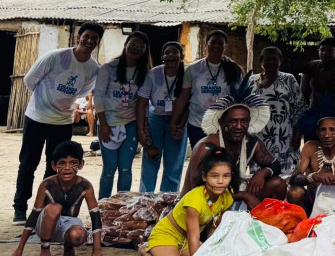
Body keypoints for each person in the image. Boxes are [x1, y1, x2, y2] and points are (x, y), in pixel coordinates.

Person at [13, 22, 103, 225]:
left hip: (62, 121)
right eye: (86, 36)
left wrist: (61, 105)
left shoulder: (93, 68)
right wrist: (43, 101)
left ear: (97, 43)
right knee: (28, 163)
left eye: (94, 39)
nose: (89, 41)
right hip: (37, 117)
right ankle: (20, 208)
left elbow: (81, 92)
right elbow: (30, 79)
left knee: (56, 167)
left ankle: (46, 209)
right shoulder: (56, 56)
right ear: (78, 37)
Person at [137, 146, 235, 256]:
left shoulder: (226, 197)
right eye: (214, 175)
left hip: (186, 240)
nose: (220, 181)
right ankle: (144, 252)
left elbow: (214, 227)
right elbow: (194, 236)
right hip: (168, 235)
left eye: (226, 176)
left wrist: (211, 253)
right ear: (204, 177)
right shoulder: (195, 201)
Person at [6, 141, 101, 256]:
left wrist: (97, 250)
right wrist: (19, 248)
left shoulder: (85, 186)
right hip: (46, 222)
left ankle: (69, 246)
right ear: (54, 165)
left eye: (73, 163)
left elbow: (95, 217)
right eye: (62, 163)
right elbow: (33, 217)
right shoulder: (47, 185)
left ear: (81, 164)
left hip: (68, 222)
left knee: (78, 235)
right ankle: (45, 253)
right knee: (54, 208)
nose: (67, 168)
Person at [182, 94, 285, 208]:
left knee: (277, 184)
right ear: (221, 122)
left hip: (231, 198)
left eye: (244, 121)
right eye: (233, 121)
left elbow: (275, 164)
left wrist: (262, 173)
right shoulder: (206, 147)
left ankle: (267, 219)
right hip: (201, 206)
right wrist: (244, 195)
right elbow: (200, 190)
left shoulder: (251, 142)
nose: (239, 126)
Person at [94, 31, 150, 198]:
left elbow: (143, 102)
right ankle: (102, 207)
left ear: (145, 50)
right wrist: (103, 124)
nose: (135, 49)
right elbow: (98, 96)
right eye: (132, 44)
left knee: (125, 168)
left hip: (131, 123)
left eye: (141, 47)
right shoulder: (108, 68)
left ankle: (122, 207)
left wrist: (143, 128)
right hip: (108, 122)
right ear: (125, 45)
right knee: (109, 168)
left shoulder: (144, 72)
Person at [172, 30, 245, 150]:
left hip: (223, 125)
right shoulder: (193, 69)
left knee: (220, 161)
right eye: (213, 42)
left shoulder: (234, 69)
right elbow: (184, 98)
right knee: (200, 160)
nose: (216, 46)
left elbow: (238, 99)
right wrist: (174, 122)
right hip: (197, 124)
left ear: (225, 47)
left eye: (220, 43)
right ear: (207, 44)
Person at [137, 41, 187, 193]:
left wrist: (180, 124)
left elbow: (190, 102)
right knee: (151, 161)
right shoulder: (153, 74)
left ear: (182, 56)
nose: (171, 55)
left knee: (174, 164)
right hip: (155, 120)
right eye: (167, 52)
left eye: (175, 52)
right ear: (162, 57)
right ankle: (145, 199)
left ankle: (168, 201)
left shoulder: (187, 74)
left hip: (178, 122)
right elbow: (142, 102)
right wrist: (142, 130)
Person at [288, 103, 335, 209]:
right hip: (313, 200)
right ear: (317, 132)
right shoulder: (310, 147)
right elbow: (294, 178)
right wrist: (313, 177)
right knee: (295, 192)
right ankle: (302, 222)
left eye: (332, 130)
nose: (327, 135)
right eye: (323, 130)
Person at [250, 46, 304, 177]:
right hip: (259, 135)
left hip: (284, 136)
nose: (270, 62)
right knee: (258, 175)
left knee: (284, 176)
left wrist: (298, 133)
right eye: (267, 59)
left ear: (280, 61)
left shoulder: (288, 79)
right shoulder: (252, 81)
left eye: (274, 59)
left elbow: (300, 106)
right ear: (261, 61)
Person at [299, 37, 335, 109]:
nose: (325, 53)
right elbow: (303, 93)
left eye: (329, 50)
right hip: (315, 111)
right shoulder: (310, 67)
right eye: (322, 50)